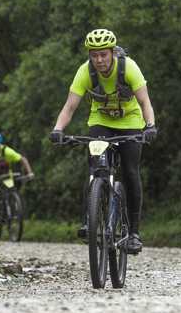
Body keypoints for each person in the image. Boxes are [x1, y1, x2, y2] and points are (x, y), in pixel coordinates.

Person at [49, 28, 157, 254]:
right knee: (94, 165)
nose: (99, 60)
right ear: (89, 55)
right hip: (100, 120)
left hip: (130, 122)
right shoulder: (84, 72)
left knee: (130, 171)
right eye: (94, 55)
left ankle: (134, 233)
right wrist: (58, 129)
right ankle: (90, 218)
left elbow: (145, 102)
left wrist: (150, 127)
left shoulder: (129, 68)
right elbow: (69, 107)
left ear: (112, 53)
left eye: (103, 54)